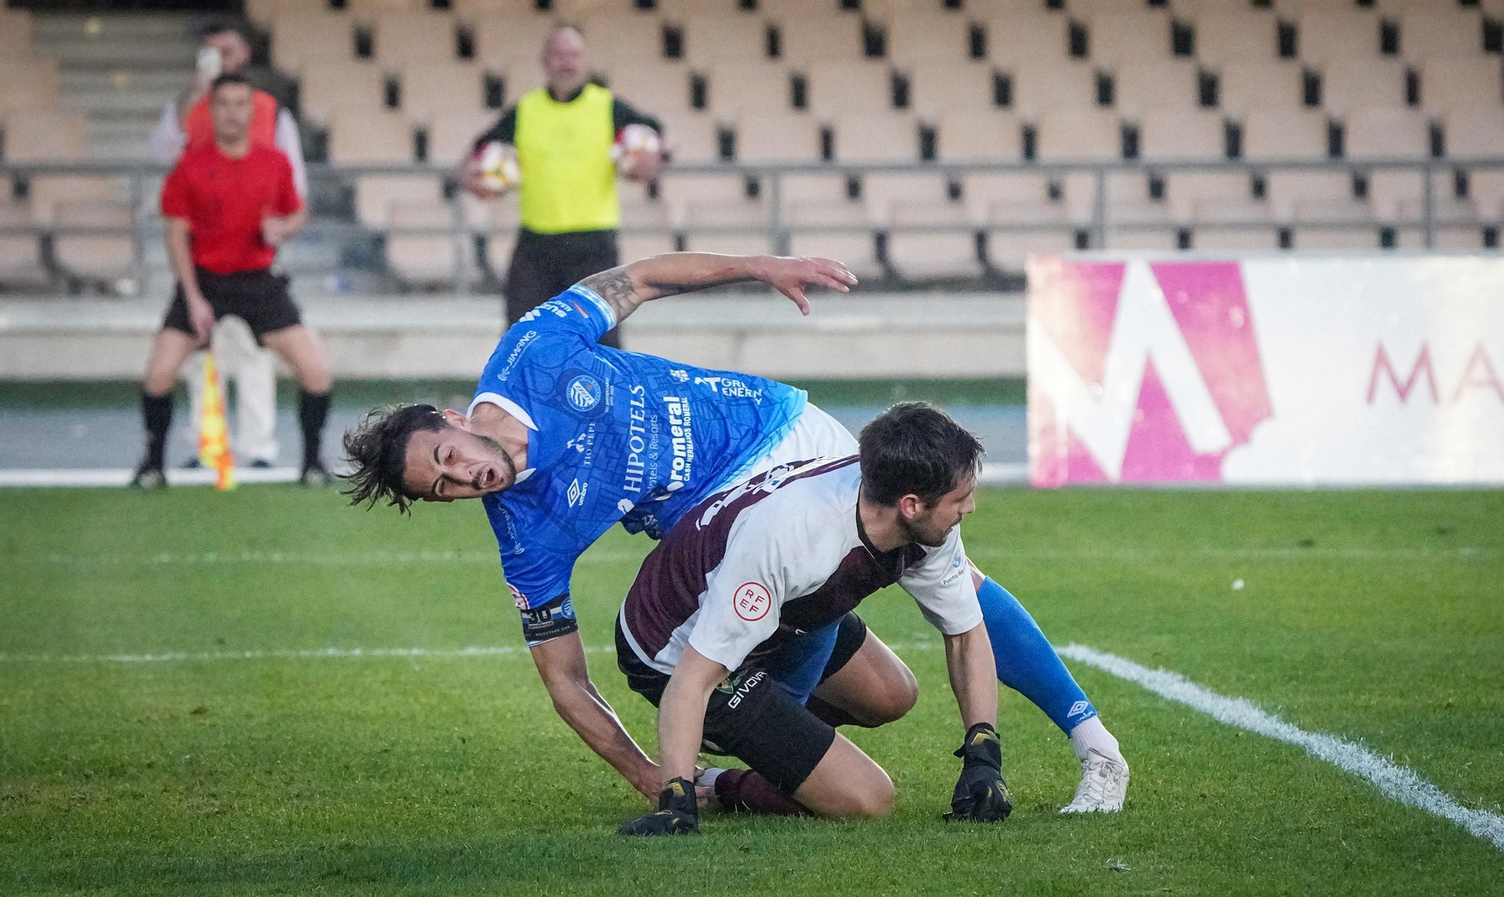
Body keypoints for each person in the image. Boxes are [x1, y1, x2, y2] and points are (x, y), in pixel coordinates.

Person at [341, 252, 1129, 814]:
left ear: (452, 419)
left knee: (934, 585)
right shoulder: (526, 531)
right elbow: (566, 681)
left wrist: (759, 265)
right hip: (727, 527)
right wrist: (644, 774)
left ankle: (1090, 743)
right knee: (852, 651)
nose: (463, 479)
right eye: (442, 489)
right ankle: (758, 759)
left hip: (774, 427)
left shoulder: (530, 354)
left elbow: (641, 279)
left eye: (449, 458)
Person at [616, 403, 1012, 835]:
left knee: (893, 694)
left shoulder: (916, 518)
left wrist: (983, 753)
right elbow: (692, 677)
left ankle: (780, 736)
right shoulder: (795, 536)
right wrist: (676, 801)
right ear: (912, 505)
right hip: (669, 649)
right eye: (959, 498)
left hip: (786, 616)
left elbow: (965, 633)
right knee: (867, 799)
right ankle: (717, 782)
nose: (969, 507)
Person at [133, 74, 333, 489]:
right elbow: (175, 235)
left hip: (259, 281)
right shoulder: (189, 167)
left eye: (241, 103)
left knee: (317, 373)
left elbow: (296, 212)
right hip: (203, 281)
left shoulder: (273, 162)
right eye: (223, 103)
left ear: (252, 110)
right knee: (159, 375)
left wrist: (282, 228)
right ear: (211, 110)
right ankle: (153, 465)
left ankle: (313, 463)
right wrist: (192, 298)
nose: (232, 112)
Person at [148, 21, 308, 470]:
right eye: (212, 51)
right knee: (201, 355)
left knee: (255, 353)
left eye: (229, 50)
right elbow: (160, 154)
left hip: (255, 255)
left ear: (244, 57)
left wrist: (281, 226)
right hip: (203, 252)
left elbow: (292, 180)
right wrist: (190, 95)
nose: (221, 58)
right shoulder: (193, 106)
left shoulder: (271, 112)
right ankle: (208, 444)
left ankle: (258, 447)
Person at [459, 24, 663, 343]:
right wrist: (471, 176)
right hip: (535, 247)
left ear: (586, 61)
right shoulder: (525, 110)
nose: (567, 63)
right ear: (545, 61)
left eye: (574, 55)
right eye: (559, 55)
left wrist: (652, 160)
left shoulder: (609, 107)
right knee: (521, 340)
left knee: (602, 343)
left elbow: (656, 138)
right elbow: (478, 152)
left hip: (594, 249)